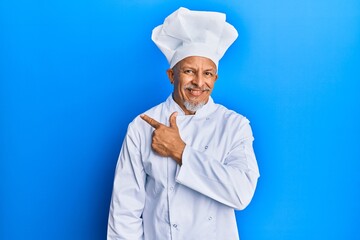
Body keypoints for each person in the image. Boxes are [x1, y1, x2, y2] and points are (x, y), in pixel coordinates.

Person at [107, 7, 260, 240]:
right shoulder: (141, 127)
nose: (199, 82)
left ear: (215, 78)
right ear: (171, 75)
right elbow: (124, 211)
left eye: (208, 73)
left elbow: (241, 194)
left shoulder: (235, 126)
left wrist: (180, 151)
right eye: (189, 71)